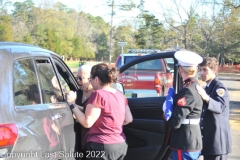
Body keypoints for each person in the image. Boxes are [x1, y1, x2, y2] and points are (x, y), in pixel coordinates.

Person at [67, 63, 133, 160]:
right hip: (120, 145)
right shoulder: (119, 95)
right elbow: (128, 119)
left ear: (96, 79)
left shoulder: (98, 94)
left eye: (91, 79)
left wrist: (72, 104)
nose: (91, 82)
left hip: (100, 146)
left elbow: (87, 122)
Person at [164, 51, 203, 160]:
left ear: (180, 69)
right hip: (190, 139)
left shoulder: (187, 91)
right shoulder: (194, 86)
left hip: (184, 141)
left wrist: (166, 111)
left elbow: (175, 122)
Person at [196, 57, 232, 160]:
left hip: (218, 144)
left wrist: (206, 97)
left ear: (214, 70)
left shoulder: (219, 87)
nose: (201, 72)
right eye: (200, 69)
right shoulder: (208, 86)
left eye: (205, 69)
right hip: (210, 142)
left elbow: (220, 107)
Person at [73, 64, 94, 160]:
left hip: (91, 139)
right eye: (77, 78)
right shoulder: (77, 93)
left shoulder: (96, 95)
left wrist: (73, 105)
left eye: (80, 78)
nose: (78, 81)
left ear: (90, 79)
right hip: (76, 136)